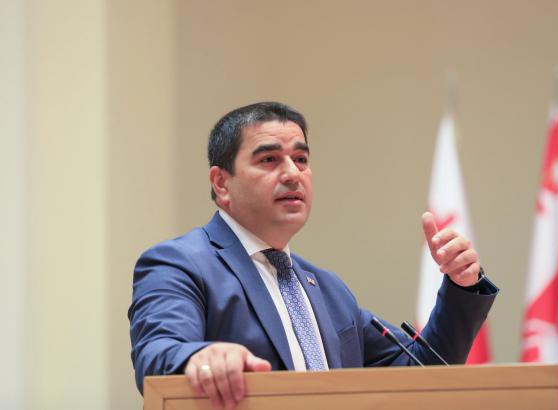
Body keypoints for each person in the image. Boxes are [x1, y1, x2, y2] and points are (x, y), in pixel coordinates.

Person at [129, 102, 498, 409]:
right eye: (269, 159)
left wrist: (462, 286)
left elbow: (423, 372)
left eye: (301, 159)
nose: (293, 173)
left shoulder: (328, 290)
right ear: (221, 183)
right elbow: (157, 354)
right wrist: (199, 357)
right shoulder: (179, 264)